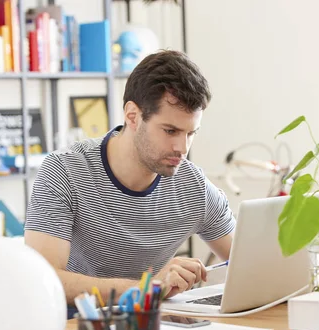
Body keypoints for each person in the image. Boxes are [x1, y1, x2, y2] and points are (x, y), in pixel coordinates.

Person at [24, 50, 236, 304]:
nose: (182, 147)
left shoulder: (193, 187)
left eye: (191, 133)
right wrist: (147, 288)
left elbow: (250, 263)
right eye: (170, 131)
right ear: (133, 116)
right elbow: (42, 278)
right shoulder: (65, 171)